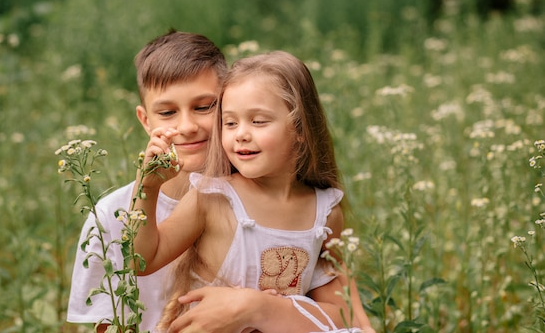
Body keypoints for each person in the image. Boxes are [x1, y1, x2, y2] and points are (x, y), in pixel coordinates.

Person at [67, 32, 374, 333]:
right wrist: (148, 188)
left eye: (205, 107)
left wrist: (258, 308)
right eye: (167, 112)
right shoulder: (115, 216)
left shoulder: (320, 209)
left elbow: (350, 319)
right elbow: (117, 310)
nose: (187, 126)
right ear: (146, 119)